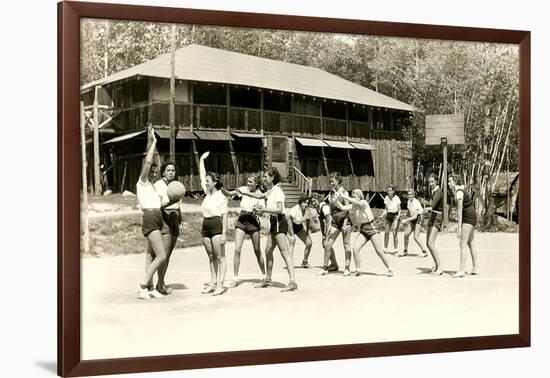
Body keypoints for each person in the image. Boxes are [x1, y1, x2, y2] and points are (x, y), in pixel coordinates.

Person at [237, 167, 298, 292]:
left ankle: (293, 282)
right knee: (268, 251)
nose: (264, 179)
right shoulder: (271, 191)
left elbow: (280, 209)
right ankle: (268, 280)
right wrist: (245, 193)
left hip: (279, 222)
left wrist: (263, 210)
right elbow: (259, 196)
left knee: (284, 252)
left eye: (266, 176)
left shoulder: (278, 191)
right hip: (273, 222)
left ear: (272, 178)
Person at [136, 126, 169, 299]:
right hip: (150, 218)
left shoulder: (153, 186)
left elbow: (161, 203)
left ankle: (149, 288)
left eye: (156, 172)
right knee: (162, 255)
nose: (154, 173)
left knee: (151, 255)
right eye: (152, 171)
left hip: (157, 217)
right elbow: (148, 162)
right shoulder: (141, 182)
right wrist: (154, 142)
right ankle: (142, 286)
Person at [222, 174, 267, 287]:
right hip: (242, 219)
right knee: (237, 249)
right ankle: (235, 279)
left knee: (257, 251)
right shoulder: (243, 189)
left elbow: (261, 211)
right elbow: (229, 193)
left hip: (253, 221)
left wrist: (258, 211)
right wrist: (220, 187)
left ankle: (264, 276)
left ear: (256, 183)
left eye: (251, 182)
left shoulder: (260, 195)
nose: (248, 184)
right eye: (248, 181)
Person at [340, 190, 393, 277]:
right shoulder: (354, 205)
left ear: (359, 196)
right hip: (363, 229)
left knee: (379, 251)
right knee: (355, 249)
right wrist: (335, 200)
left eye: (354, 196)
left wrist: (345, 197)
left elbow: (358, 203)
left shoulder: (363, 202)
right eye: (352, 196)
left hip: (371, 227)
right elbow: (342, 207)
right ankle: (358, 270)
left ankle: (390, 269)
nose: (353, 198)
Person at [151, 161, 184, 295]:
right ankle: (154, 284)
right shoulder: (158, 185)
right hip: (164, 216)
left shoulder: (176, 186)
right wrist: (171, 202)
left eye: (173, 170)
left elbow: (178, 205)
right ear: (163, 172)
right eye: (168, 170)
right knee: (162, 254)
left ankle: (161, 282)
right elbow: (157, 205)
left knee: (168, 254)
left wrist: (181, 221)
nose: (171, 173)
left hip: (175, 217)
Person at [199, 151, 229, 296]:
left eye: (208, 181)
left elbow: (225, 216)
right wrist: (201, 160)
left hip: (217, 225)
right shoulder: (207, 193)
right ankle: (213, 282)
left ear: (215, 182)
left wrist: (224, 234)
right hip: (206, 225)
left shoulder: (221, 196)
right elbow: (202, 174)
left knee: (220, 257)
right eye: (205, 181)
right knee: (211, 256)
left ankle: (221, 284)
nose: (205, 183)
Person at [318, 172, 352, 276]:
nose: (331, 183)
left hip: (345, 220)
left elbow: (347, 209)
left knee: (346, 244)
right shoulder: (331, 193)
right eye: (330, 181)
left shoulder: (344, 192)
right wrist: (329, 225)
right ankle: (325, 268)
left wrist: (345, 223)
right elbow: (331, 210)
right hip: (335, 221)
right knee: (327, 244)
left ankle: (347, 268)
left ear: (338, 181)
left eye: (333, 181)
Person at [448, 174, 478, 277]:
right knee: (471, 242)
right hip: (472, 215)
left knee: (462, 243)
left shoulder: (459, 192)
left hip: (468, 217)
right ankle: (475, 268)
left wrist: (459, 228)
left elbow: (460, 210)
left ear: (455, 182)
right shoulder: (459, 190)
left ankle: (461, 271)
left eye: (450, 181)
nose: (449, 183)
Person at [310, 193, 339, 269]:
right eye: (312, 202)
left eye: (314, 201)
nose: (313, 203)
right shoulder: (318, 208)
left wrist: (327, 235)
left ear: (318, 199)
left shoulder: (324, 207)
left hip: (334, 225)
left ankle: (331, 265)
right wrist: (323, 233)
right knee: (325, 245)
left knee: (326, 245)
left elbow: (328, 221)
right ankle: (334, 263)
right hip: (328, 226)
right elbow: (322, 222)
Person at [422, 174, 444, 275]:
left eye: (432, 182)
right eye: (429, 182)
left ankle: (440, 267)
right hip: (432, 217)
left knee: (431, 243)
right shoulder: (433, 191)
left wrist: (424, 209)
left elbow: (432, 206)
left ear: (436, 181)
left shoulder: (438, 192)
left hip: (437, 218)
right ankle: (436, 265)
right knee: (428, 243)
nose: (430, 184)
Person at [399, 189, 429, 258]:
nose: (409, 196)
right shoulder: (409, 202)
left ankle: (424, 252)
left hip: (419, 217)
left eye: (411, 194)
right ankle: (405, 251)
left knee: (415, 237)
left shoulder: (416, 202)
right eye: (408, 195)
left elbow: (415, 216)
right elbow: (409, 212)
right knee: (406, 234)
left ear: (413, 195)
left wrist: (406, 220)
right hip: (413, 218)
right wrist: (404, 214)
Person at [287, 194, 313, 268]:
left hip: (299, 226)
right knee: (292, 242)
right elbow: (289, 220)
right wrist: (292, 234)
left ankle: (304, 262)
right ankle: (289, 263)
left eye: (307, 203)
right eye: (304, 202)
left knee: (309, 243)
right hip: (290, 226)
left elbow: (308, 221)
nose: (306, 204)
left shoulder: (308, 210)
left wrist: (307, 233)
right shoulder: (295, 208)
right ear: (300, 202)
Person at [381, 185, 401, 254]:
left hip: (395, 215)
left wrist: (398, 216)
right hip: (389, 215)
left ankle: (395, 249)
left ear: (393, 191)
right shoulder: (386, 198)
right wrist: (382, 215)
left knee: (394, 232)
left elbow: (399, 209)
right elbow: (386, 209)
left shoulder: (397, 198)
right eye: (388, 191)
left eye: (390, 190)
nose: (388, 192)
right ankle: (385, 248)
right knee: (386, 232)